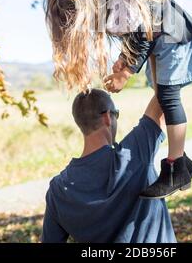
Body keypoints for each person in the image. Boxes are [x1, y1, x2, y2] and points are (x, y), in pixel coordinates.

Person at [43, 0, 192, 199]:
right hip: (163, 42)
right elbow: (136, 35)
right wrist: (124, 59)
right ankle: (182, 162)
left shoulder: (115, 5)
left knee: (168, 98)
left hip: (172, 38)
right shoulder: (109, 5)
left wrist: (125, 73)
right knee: (163, 97)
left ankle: (176, 168)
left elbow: (144, 36)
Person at [41, 88, 177, 243]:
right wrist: (131, 67)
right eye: (116, 114)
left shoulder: (58, 190)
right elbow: (166, 91)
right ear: (107, 117)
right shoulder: (134, 154)